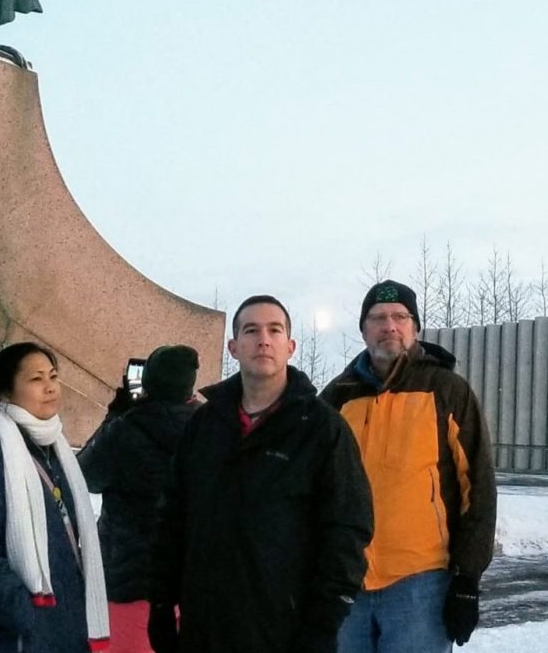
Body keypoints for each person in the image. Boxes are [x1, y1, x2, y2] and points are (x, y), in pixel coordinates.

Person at [150, 295, 374, 653]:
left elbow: (346, 531)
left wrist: (323, 624)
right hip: (205, 627)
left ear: (290, 346)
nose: (263, 339)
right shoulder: (204, 426)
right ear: (234, 347)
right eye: (251, 330)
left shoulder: (321, 429)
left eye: (274, 330)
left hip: (286, 630)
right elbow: (172, 518)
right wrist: (161, 603)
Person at [321, 280, 497, 653]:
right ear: (363, 329)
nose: (390, 326)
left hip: (421, 584)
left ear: (414, 327)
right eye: (378, 318)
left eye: (400, 316)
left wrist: (467, 580)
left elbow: (477, 486)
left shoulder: (446, 389)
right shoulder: (338, 396)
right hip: (347, 582)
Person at [0, 342, 108, 652]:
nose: (50, 387)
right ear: (6, 391)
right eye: (36, 379)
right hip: (9, 638)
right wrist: (26, 614)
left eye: (54, 377)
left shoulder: (52, 448)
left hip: (60, 631)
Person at [78, 346, 202, 653]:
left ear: (147, 383)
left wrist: (114, 415)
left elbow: (86, 476)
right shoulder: (210, 428)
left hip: (128, 581)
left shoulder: (125, 429)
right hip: (190, 580)